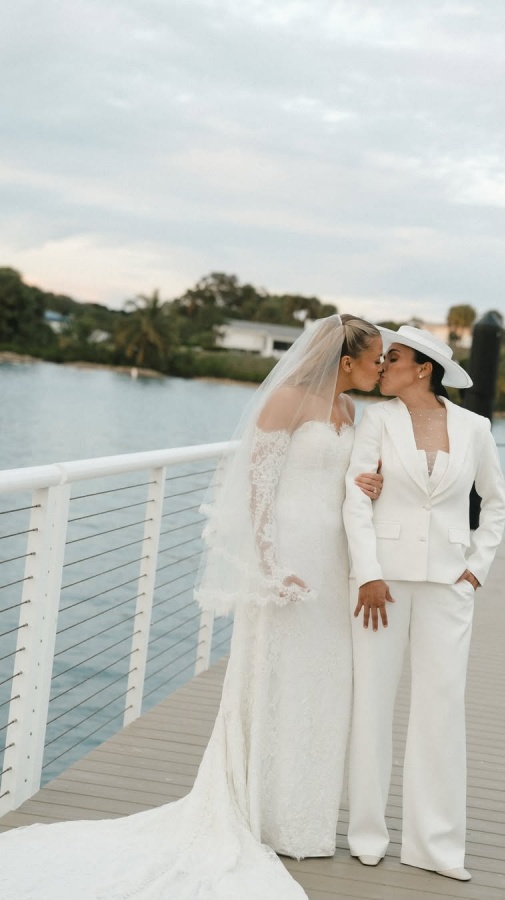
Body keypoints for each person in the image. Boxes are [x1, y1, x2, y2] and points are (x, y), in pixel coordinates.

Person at [0, 314, 384, 899]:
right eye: (377, 359)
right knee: (273, 677)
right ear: (346, 360)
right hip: (288, 553)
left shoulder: (351, 411)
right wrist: (268, 563)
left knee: (322, 681)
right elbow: (258, 486)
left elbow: (342, 482)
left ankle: (302, 816)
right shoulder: (286, 399)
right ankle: (257, 809)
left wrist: (366, 488)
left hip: (333, 559)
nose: (381, 368)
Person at [342, 325, 505, 882]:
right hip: (381, 584)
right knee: (373, 705)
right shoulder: (376, 420)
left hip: (449, 585)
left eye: (393, 359)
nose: (382, 366)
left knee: (442, 710)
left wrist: (476, 569)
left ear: (422, 369)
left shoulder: (475, 428)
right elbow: (355, 498)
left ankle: (435, 846)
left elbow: (496, 503)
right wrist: (368, 572)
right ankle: (367, 835)